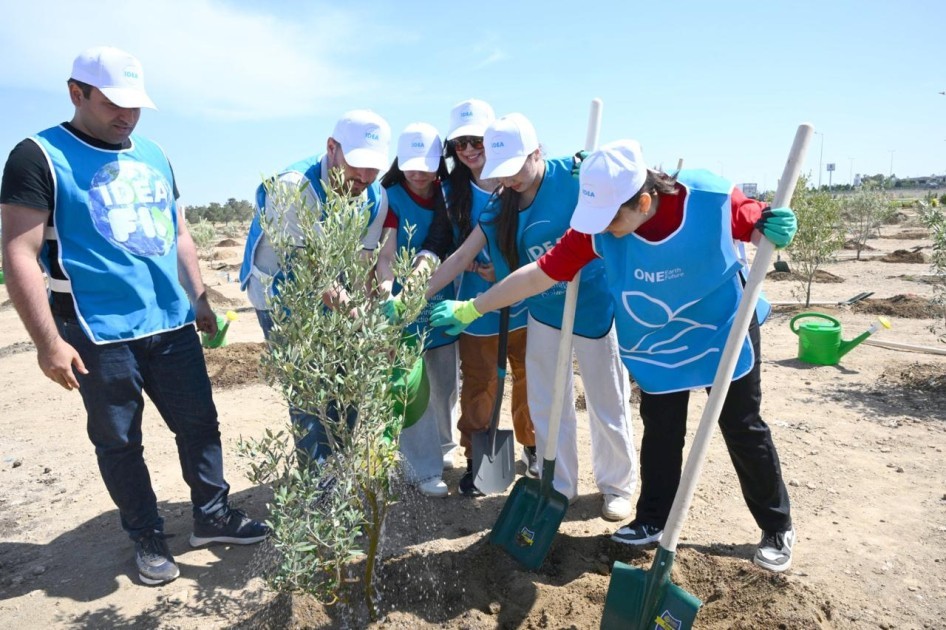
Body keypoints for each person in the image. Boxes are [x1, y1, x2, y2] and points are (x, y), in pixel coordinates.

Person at [431, 139, 798, 572]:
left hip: (722, 327)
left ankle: (777, 526)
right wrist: (476, 306)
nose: (603, 228)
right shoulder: (601, 228)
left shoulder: (708, 199)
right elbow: (539, 273)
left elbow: (755, 221)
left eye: (611, 220)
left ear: (644, 200)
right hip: (659, 340)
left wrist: (771, 228)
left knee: (741, 426)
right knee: (661, 428)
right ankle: (653, 520)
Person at [0, 46, 269, 587]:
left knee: (199, 424)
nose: (127, 115)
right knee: (120, 440)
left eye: (135, 105)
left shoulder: (152, 152)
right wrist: (49, 342)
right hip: (97, 331)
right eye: (113, 103)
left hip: (170, 323)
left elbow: (180, 233)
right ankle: (146, 534)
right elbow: (17, 251)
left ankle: (212, 516)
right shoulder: (39, 156)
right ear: (77, 93)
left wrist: (199, 298)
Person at [426, 114, 637, 518]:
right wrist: (412, 297)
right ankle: (560, 483)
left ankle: (616, 486)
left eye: (516, 169)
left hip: (593, 306)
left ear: (536, 152)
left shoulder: (575, 178)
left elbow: (627, 197)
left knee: (606, 400)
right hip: (543, 312)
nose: (509, 180)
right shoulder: (499, 205)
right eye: (501, 173)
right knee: (547, 403)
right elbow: (460, 258)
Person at [239, 109, 394, 465]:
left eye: (374, 168)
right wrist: (363, 325)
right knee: (309, 394)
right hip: (281, 297)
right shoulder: (295, 188)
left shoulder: (374, 198)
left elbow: (360, 264)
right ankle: (318, 484)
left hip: (335, 296)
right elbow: (312, 275)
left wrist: (372, 317)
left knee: (347, 387)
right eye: (357, 165)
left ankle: (340, 469)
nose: (365, 176)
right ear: (332, 148)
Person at [442, 99, 537, 493]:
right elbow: (444, 242)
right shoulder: (451, 191)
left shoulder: (514, 180)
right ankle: (477, 461)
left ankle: (533, 448)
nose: (467, 150)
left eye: (475, 140)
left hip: (525, 307)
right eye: (459, 143)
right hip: (476, 310)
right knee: (480, 386)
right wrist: (459, 261)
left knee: (529, 380)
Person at [375, 122, 458, 497]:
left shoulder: (448, 194)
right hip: (403, 307)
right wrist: (391, 299)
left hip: (440, 304)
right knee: (414, 387)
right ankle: (423, 468)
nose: (417, 172)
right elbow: (387, 255)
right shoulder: (389, 196)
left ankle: (444, 447)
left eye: (426, 164)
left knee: (444, 385)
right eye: (410, 163)